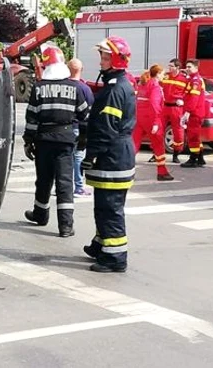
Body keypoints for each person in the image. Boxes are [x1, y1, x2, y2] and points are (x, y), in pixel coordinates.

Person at [24, 44, 90, 237]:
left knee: (43, 180)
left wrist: (28, 141)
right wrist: (84, 139)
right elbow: (85, 116)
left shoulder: (38, 88)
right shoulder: (75, 88)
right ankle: (66, 226)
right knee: (65, 183)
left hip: (44, 141)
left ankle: (40, 214)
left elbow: (32, 119)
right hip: (66, 140)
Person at [82, 36, 136, 273]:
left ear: (115, 59)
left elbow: (106, 127)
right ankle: (102, 244)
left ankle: (115, 258)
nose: (101, 61)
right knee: (104, 206)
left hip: (112, 157)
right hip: (117, 154)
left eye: (105, 57)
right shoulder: (118, 83)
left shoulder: (115, 88)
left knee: (109, 209)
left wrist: (90, 155)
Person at [133, 65, 174, 181]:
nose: (164, 76)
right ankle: (162, 172)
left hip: (138, 117)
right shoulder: (155, 86)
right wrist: (156, 122)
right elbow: (155, 104)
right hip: (151, 118)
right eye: (163, 74)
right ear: (157, 74)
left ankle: (127, 170)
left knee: (134, 144)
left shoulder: (143, 83)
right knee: (158, 145)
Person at [67, 58, 94, 197]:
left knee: (64, 158)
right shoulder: (84, 88)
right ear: (81, 70)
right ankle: (78, 187)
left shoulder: (63, 86)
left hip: (64, 128)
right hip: (79, 127)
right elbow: (89, 110)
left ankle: (62, 186)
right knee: (78, 157)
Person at [181, 59, 207, 168]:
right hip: (196, 112)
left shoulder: (195, 81)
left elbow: (193, 98)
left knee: (193, 137)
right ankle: (200, 158)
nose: (187, 68)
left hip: (194, 113)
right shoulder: (193, 79)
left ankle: (193, 159)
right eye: (186, 66)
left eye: (190, 67)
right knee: (196, 136)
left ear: (196, 68)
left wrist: (187, 112)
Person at [161, 58, 189, 163]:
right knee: (159, 130)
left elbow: (188, 92)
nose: (169, 68)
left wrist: (181, 99)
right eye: (169, 66)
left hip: (176, 108)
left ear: (178, 67)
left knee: (178, 132)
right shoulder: (166, 76)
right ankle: (157, 153)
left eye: (171, 66)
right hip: (165, 107)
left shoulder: (183, 79)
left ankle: (176, 154)